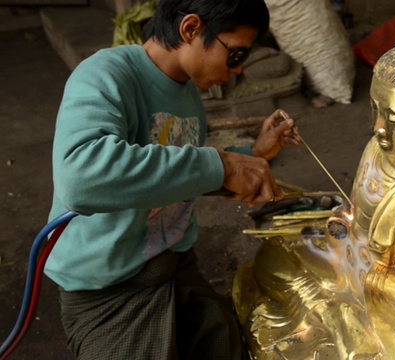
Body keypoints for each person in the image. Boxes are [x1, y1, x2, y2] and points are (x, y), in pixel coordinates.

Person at [43, 0, 300, 359]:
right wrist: (223, 166)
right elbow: (81, 177)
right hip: (109, 288)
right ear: (191, 28)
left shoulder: (187, 95)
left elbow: (175, 169)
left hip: (174, 267)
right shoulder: (106, 73)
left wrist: (252, 154)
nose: (237, 70)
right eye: (236, 55)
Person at [233, 25, 395, 360]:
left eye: (393, 119)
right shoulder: (376, 150)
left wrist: (374, 275)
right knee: (273, 257)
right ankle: (324, 315)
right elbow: (355, 217)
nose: (378, 127)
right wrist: (342, 226)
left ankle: (329, 324)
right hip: (346, 272)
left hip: (389, 320)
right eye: (375, 110)